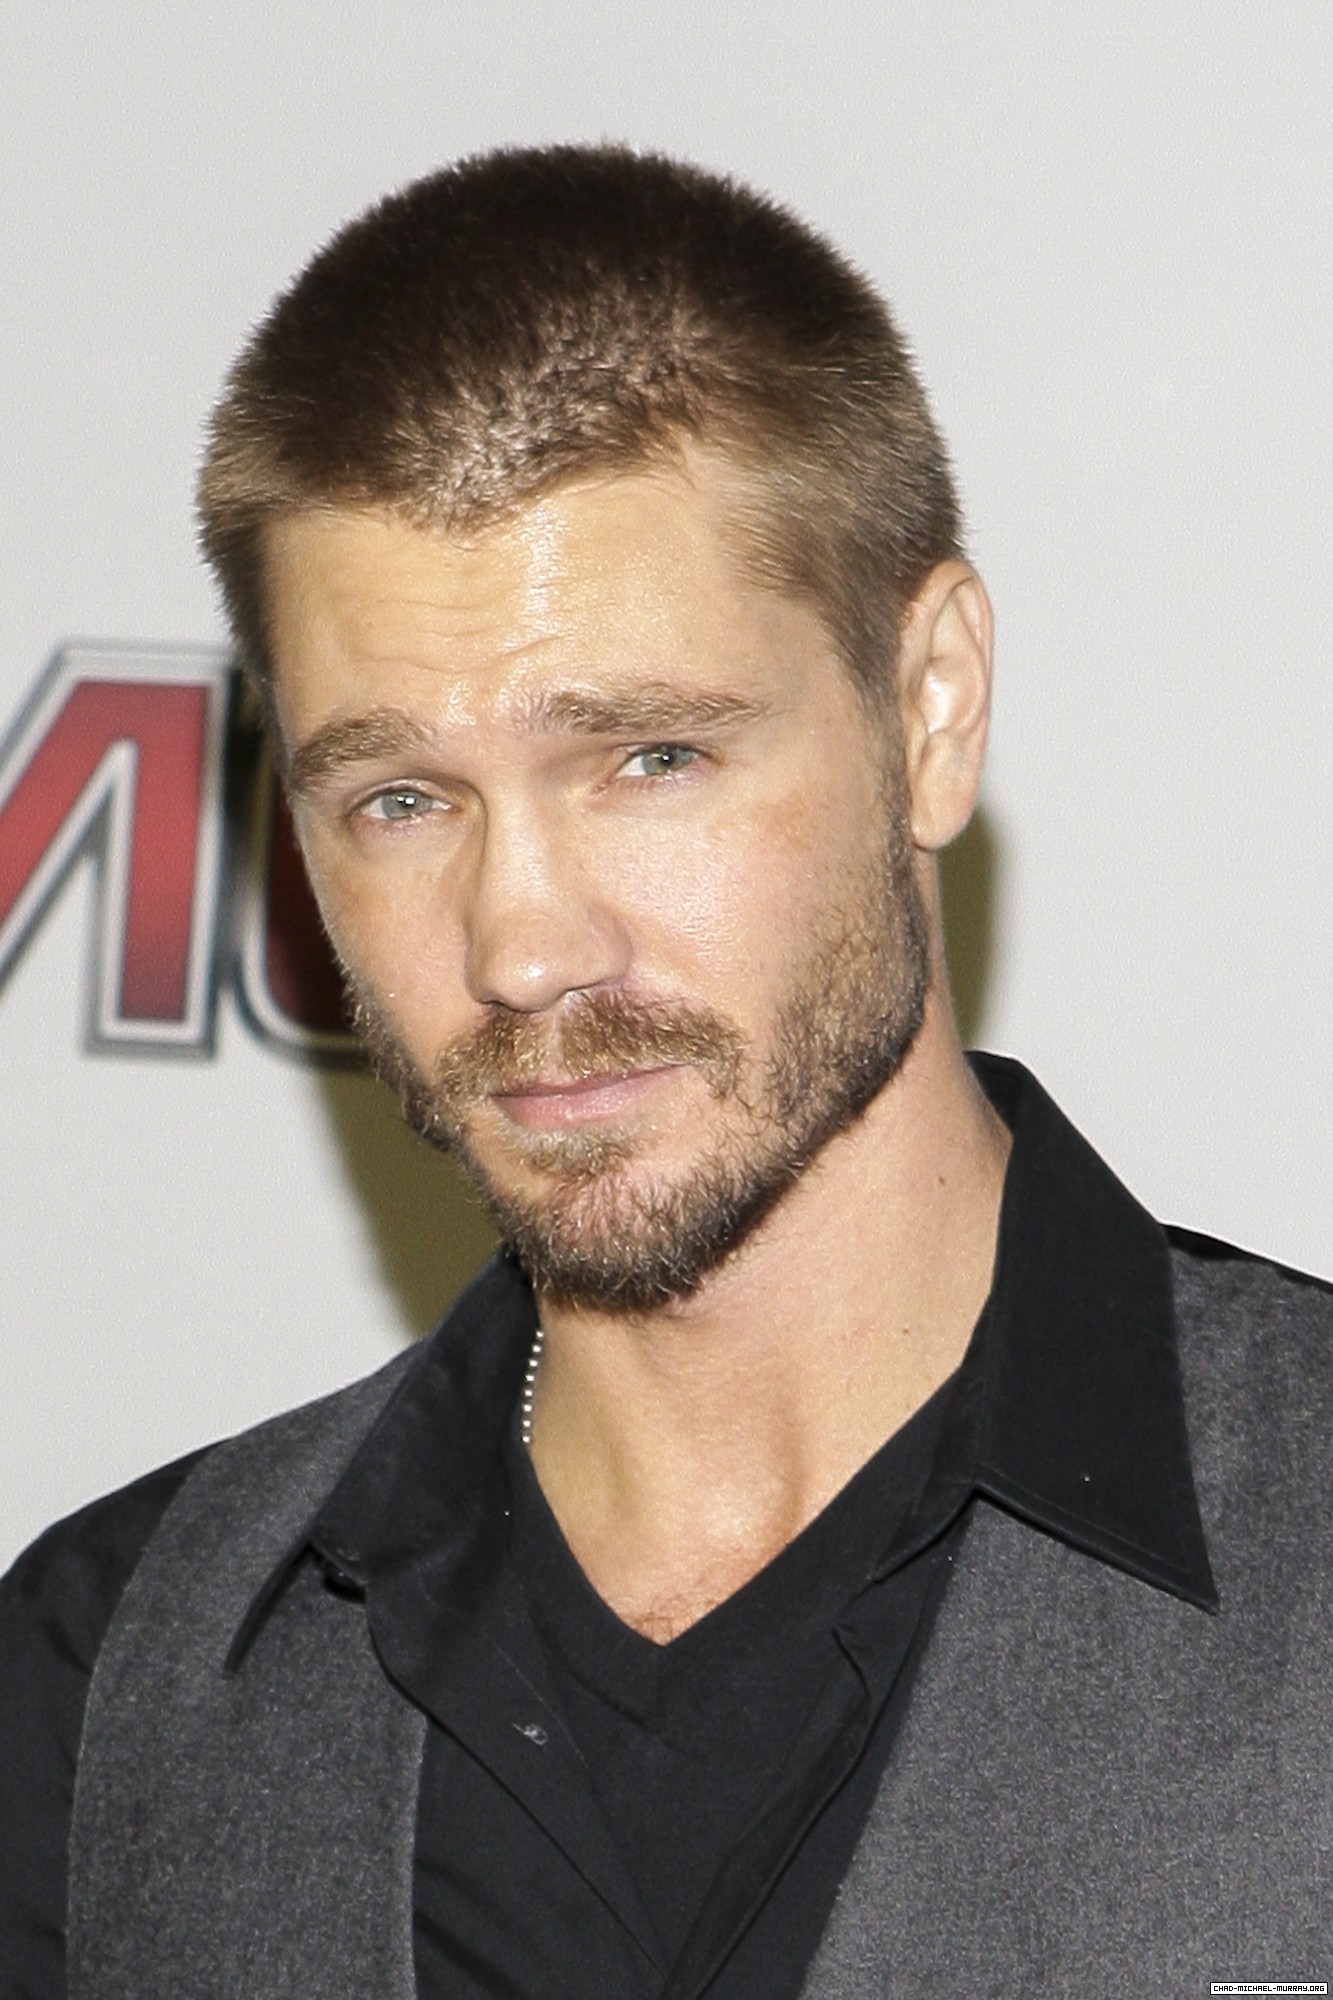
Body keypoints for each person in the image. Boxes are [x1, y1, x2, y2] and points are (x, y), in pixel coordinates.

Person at [1, 145, 1329, 2000]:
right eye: (401, 799)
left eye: (649, 760)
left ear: (929, 704)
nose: (521, 947)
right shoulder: (105, 1686)